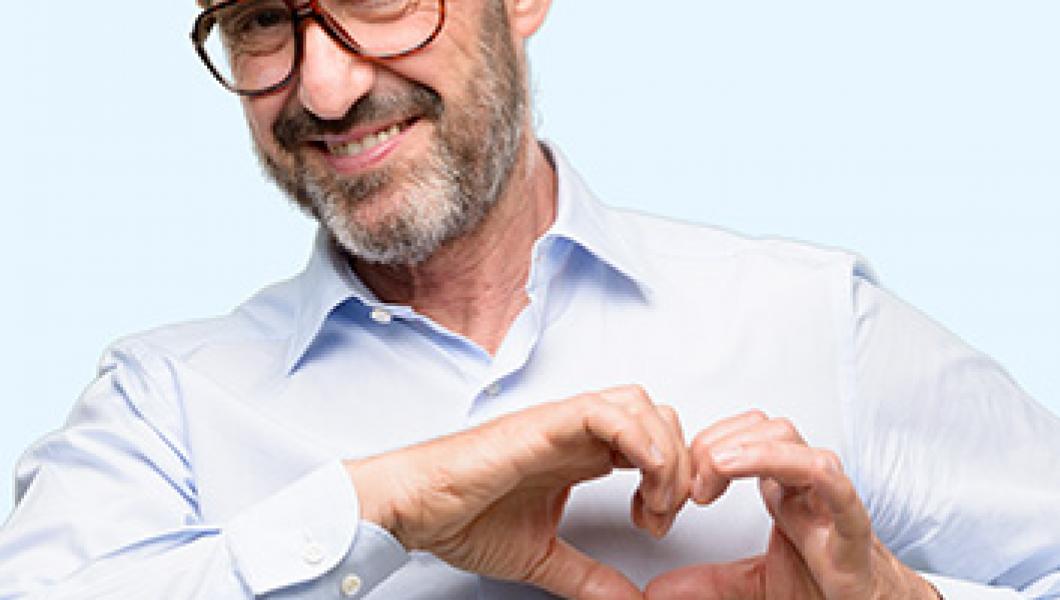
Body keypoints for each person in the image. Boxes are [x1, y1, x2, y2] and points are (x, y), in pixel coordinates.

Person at [1, 0, 1058, 598]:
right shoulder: (162, 411)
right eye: (262, 21)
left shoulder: (813, 320)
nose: (323, 90)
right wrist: (383, 506)